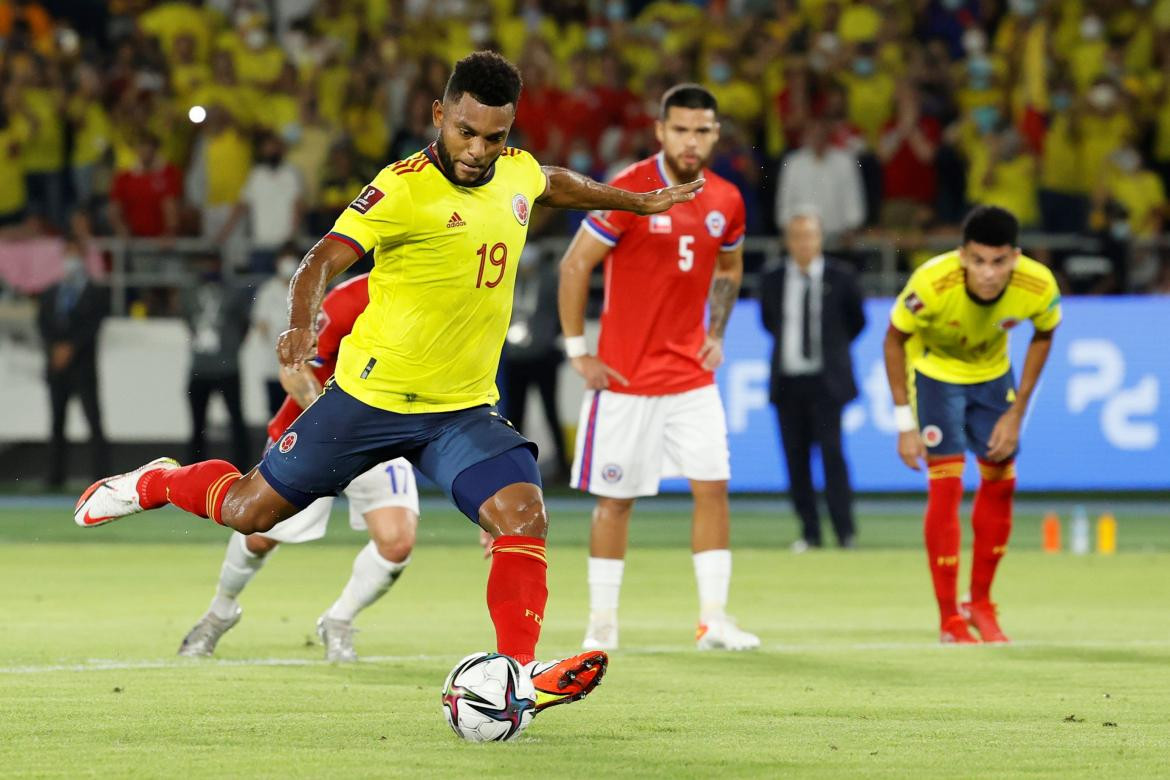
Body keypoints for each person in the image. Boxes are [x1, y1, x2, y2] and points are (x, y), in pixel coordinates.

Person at [76, 51, 701, 716]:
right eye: (466, 131)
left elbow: (551, 182)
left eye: (495, 136)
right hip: (368, 403)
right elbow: (322, 258)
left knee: (524, 516)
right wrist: (299, 322)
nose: (479, 150)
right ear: (439, 115)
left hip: (459, 411)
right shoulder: (400, 188)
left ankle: (514, 674)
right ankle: (158, 481)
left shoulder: (512, 170)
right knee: (249, 513)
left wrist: (632, 200)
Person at [558, 84, 759, 652]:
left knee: (713, 489)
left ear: (715, 134)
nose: (691, 141)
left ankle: (714, 620)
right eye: (681, 129)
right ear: (660, 131)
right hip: (625, 380)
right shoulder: (631, 187)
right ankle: (601, 627)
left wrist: (716, 332)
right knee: (615, 501)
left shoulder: (727, 199)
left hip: (691, 380)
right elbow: (575, 266)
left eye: (702, 130)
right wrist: (579, 352)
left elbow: (730, 265)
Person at [178, 274, 420, 663]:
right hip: (314, 426)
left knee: (397, 542)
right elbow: (293, 370)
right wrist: (330, 423)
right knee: (258, 534)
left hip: (384, 430)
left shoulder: (446, 300)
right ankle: (220, 612)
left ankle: (338, 620)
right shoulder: (351, 298)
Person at [883, 205, 1060, 644]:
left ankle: (980, 603)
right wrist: (904, 422)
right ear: (962, 255)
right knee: (946, 484)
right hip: (936, 375)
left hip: (993, 377)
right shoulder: (931, 282)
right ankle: (949, 618)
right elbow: (893, 339)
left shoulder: (1038, 285)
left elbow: (1044, 332)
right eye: (978, 261)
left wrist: (1017, 411)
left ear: (1015, 258)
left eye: (999, 262)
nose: (988, 273)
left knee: (1001, 480)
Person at [758, 208, 866, 552]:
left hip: (827, 384)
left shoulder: (843, 276)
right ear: (788, 241)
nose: (804, 243)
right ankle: (810, 532)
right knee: (796, 461)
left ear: (820, 239)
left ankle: (844, 531)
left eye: (810, 236)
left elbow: (856, 322)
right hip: (789, 382)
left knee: (833, 456)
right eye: (797, 236)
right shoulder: (773, 279)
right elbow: (769, 321)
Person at [37, 239, 109, 488]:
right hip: (57, 368)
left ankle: (102, 477)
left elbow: (92, 326)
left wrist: (70, 347)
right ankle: (55, 477)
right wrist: (54, 349)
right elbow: (43, 325)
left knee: (94, 422)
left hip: (83, 367)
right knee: (56, 423)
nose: (71, 261)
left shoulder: (96, 292)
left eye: (75, 254)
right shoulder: (50, 292)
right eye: (67, 254)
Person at [501, 247, 570, 480]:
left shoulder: (549, 281)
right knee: (514, 415)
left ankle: (562, 465)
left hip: (543, 357)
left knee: (551, 411)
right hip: (515, 358)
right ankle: (512, 466)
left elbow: (562, 311)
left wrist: (551, 339)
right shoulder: (509, 279)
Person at [182, 253, 253, 468]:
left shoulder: (233, 291)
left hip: (227, 366)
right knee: (197, 424)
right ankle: (194, 471)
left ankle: (242, 469)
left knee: (236, 421)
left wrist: (231, 348)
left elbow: (244, 323)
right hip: (200, 367)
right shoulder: (191, 292)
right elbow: (187, 319)